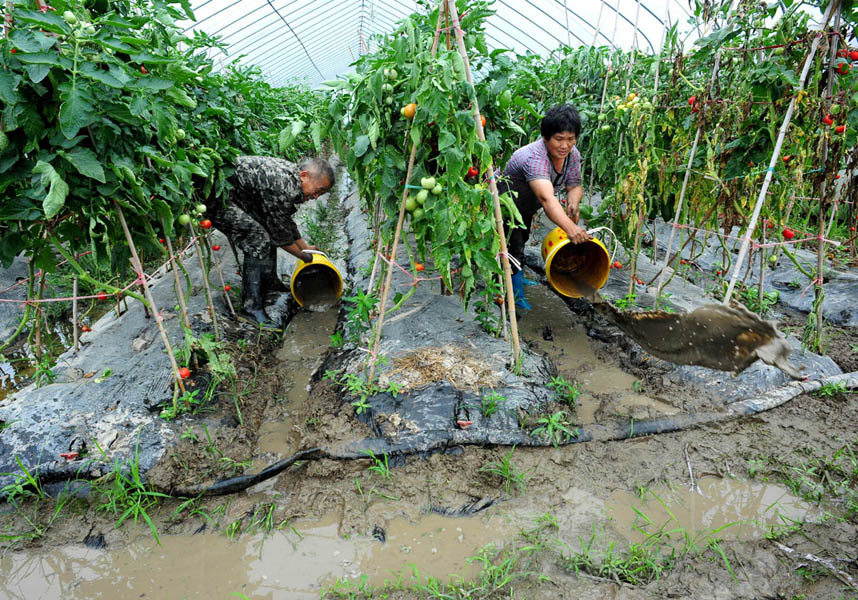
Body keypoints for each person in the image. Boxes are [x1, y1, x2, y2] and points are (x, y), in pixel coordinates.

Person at [207, 155, 335, 324]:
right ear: (304, 175)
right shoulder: (283, 187)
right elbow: (281, 237)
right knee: (257, 238)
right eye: (318, 190)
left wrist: (306, 248)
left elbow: (284, 221)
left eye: (322, 193)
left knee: (265, 232)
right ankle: (251, 308)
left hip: (236, 194)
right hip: (218, 196)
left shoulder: (292, 181)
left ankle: (270, 285)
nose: (316, 197)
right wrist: (305, 257)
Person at [497, 104, 590, 310]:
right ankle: (514, 293)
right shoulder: (534, 158)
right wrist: (571, 228)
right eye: (559, 139)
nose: (565, 145)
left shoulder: (572, 155)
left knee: (523, 236)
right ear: (546, 137)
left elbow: (574, 184)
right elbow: (547, 199)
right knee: (513, 244)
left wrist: (573, 203)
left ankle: (516, 276)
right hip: (505, 205)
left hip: (526, 206)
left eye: (570, 138)